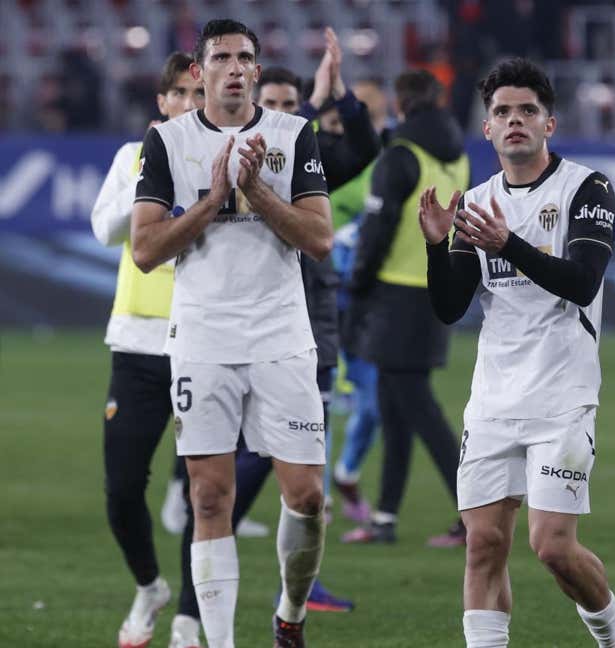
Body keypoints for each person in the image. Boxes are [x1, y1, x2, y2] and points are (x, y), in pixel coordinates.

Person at [131, 19, 333, 647]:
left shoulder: (294, 134)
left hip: (280, 333)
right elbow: (144, 249)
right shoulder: (167, 141)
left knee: (306, 497)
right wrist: (213, 197)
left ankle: (291, 614)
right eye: (222, 57)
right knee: (209, 498)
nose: (237, 68)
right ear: (200, 71)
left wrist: (255, 192)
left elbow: (319, 239)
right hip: (203, 337)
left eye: (246, 57)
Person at [421, 57, 615, 648]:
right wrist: (440, 247)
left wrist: (508, 243)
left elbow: (582, 282)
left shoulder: (586, 188)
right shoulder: (478, 201)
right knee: (484, 544)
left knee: (552, 548)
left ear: (550, 124)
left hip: (562, 396)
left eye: (527, 111)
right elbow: (449, 306)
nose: (514, 120)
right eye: (502, 112)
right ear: (487, 128)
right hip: (493, 399)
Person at [92, 51, 204, 648]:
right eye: (180, 95)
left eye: (198, 94)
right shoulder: (129, 158)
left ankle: (187, 617)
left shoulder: (222, 163)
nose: (190, 105)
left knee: (200, 497)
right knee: (121, 489)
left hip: (203, 345)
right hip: (136, 344)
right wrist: (150, 172)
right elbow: (105, 230)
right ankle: (149, 587)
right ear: (162, 103)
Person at [341, 69, 468, 547]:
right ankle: (386, 518)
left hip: (394, 295)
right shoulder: (456, 156)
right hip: (432, 288)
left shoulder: (399, 156)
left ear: (400, 106)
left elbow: (376, 234)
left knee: (419, 410)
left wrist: (356, 285)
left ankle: (473, 514)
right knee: (397, 409)